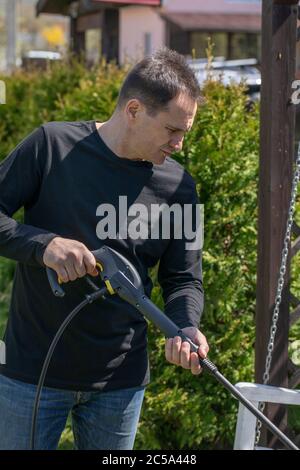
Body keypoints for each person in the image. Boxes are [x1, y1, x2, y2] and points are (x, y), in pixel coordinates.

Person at [0, 47, 209, 450]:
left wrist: (185, 325)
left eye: (185, 132)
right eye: (172, 130)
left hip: (119, 383)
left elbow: (184, 278)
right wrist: (43, 245)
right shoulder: (51, 145)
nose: (180, 144)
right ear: (133, 110)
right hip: (31, 373)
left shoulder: (180, 188)